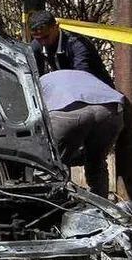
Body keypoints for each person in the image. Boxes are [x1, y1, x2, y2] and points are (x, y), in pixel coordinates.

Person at [39, 69, 127, 198]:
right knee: (97, 162)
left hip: (68, 109)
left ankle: (53, 207)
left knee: (51, 165)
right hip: (110, 109)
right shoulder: (85, 75)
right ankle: (100, 207)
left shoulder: (38, 81)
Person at [29, 10, 114, 88]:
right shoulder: (36, 45)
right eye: (38, 38)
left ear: (56, 27)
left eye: (46, 37)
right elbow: (34, 76)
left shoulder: (78, 44)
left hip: (98, 90)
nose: (43, 42)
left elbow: (82, 78)